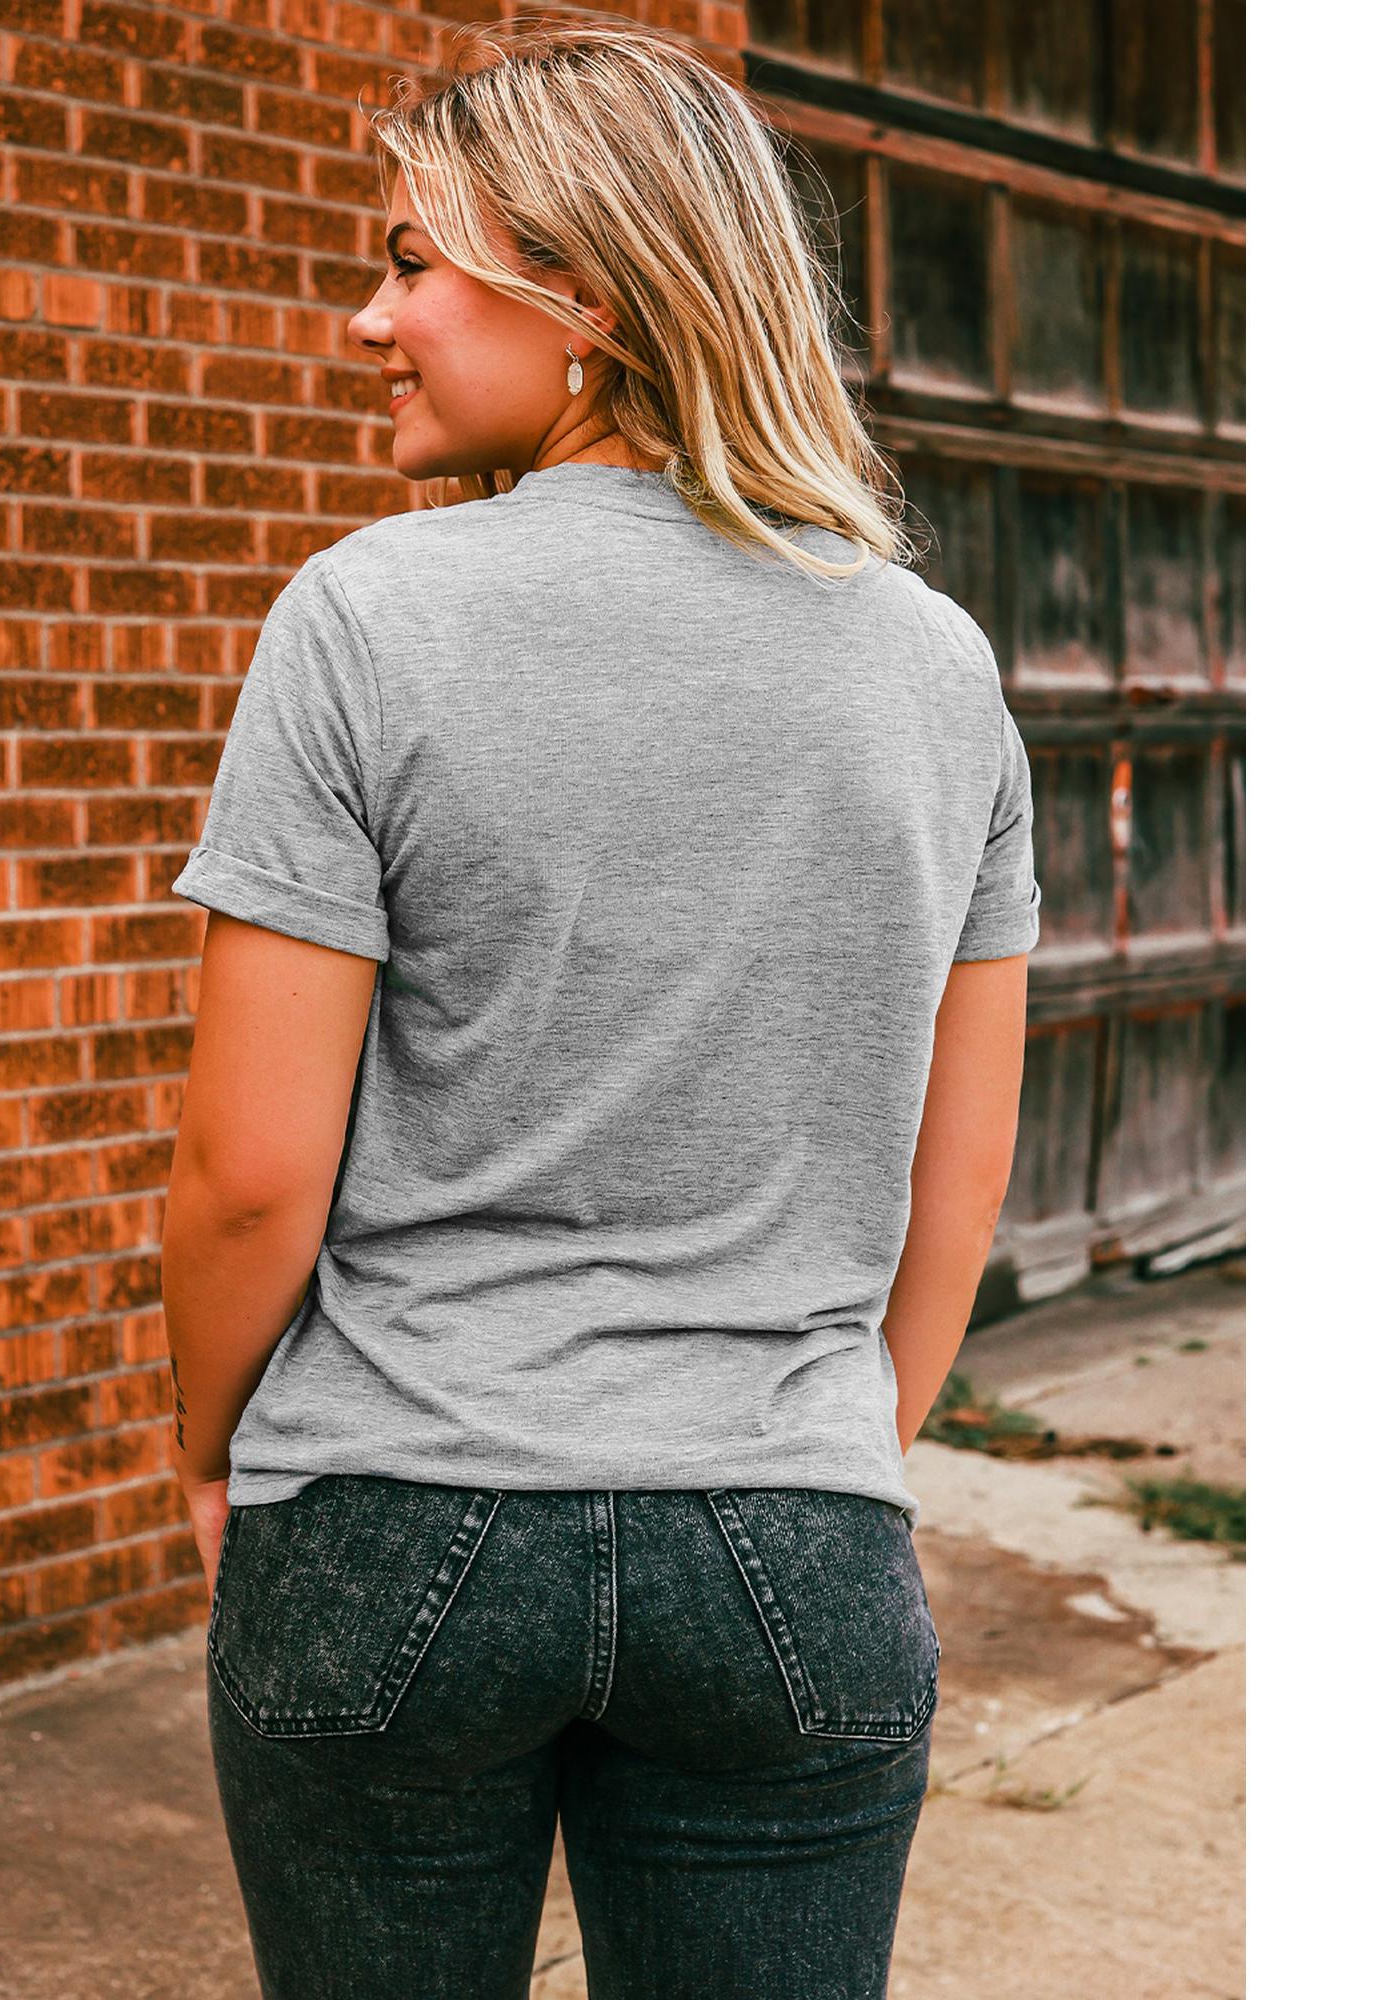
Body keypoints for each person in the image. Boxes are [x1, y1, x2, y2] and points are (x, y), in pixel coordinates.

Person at [160, 17, 1041, 2000]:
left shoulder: (365, 620)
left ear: (587, 299)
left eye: (409, 262)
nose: (365, 322)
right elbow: (955, 1178)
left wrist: (210, 1445)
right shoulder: (935, 666)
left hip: (394, 1511)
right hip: (792, 1530)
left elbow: (247, 1174)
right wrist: (819, 1460)